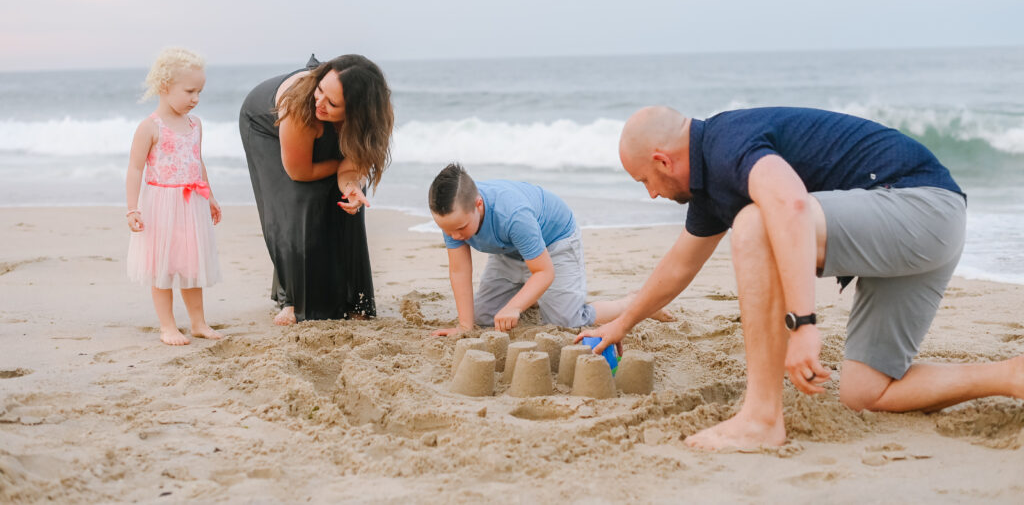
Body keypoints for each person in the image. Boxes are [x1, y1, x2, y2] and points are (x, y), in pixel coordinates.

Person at [579, 105, 1024, 451]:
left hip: (920, 209)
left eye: (645, 180)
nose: (651, 193)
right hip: (921, 230)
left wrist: (803, 325)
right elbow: (679, 266)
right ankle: (1010, 376)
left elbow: (790, 205)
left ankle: (761, 417)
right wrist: (623, 323)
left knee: (755, 223)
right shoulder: (711, 186)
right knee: (866, 391)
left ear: (663, 159)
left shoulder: (728, 144)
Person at [428, 163, 672, 335]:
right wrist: (464, 326)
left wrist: (514, 307)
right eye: (447, 230)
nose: (454, 236)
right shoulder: (453, 218)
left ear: (478, 204)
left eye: (460, 228)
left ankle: (631, 302)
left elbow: (544, 272)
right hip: (509, 252)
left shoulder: (513, 214)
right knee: (483, 319)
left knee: (566, 322)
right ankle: (533, 296)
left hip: (554, 242)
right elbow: (459, 271)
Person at [239, 54, 393, 325]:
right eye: (321, 89)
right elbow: (299, 172)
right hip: (265, 124)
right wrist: (339, 165)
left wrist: (351, 186)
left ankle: (352, 297)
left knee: (349, 201)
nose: (319, 102)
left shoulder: (368, 124)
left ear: (357, 112)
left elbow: (348, 172)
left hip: (327, 129)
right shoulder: (301, 103)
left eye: (332, 103)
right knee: (300, 197)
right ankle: (292, 300)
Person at [126, 47, 223, 346]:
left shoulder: (196, 125)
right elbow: (135, 168)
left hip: (191, 203)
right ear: (165, 87)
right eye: (190, 91)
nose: (196, 98)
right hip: (161, 207)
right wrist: (132, 208)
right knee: (162, 267)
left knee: (191, 265)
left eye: (200, 92)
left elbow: (197, 161)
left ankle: (198, 322)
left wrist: (210, 197)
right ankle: (167, 326)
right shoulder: (150, 127)